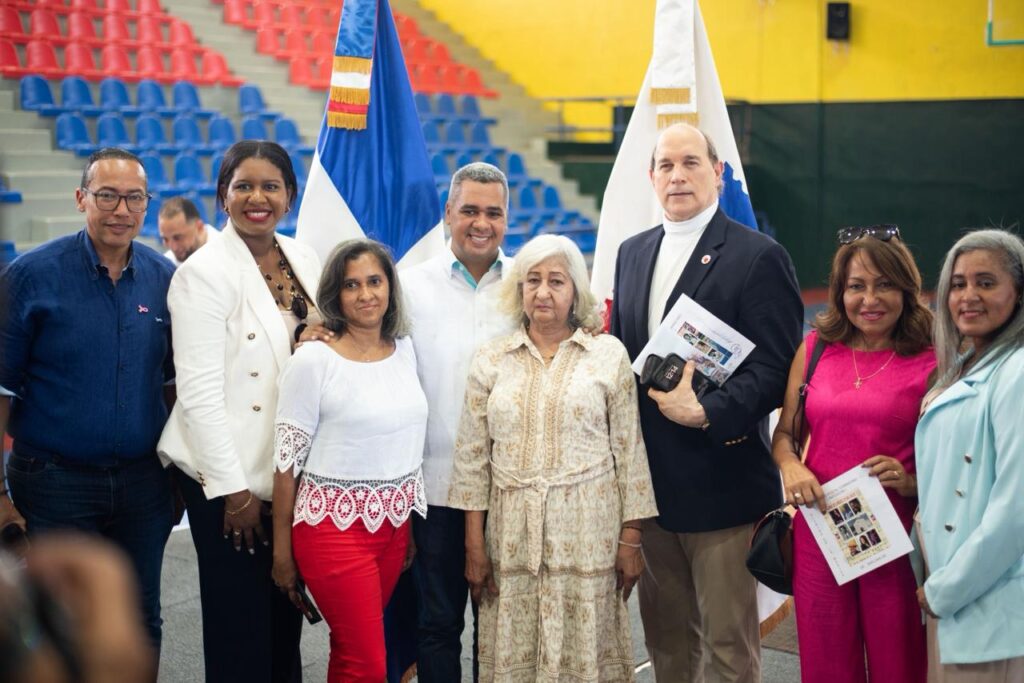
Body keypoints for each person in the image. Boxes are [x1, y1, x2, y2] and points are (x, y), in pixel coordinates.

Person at [609, 123, 803, 682]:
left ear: (717, 173)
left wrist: (708, 411)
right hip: (652, 493)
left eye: (691, 162)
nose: (677, 176)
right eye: (665, 165)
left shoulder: (758, 256)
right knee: (667, 646)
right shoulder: (631, 252)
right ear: (651, 178)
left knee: (726, 649)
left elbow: (778, 371)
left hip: (723, 486)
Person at [448, 234, 659, 681]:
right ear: (519, 289)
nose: (543, 292)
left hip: (589, 531)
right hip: (510, 534)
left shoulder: (608, 354)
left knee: (584, 654)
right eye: (533, 280)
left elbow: (630, 450)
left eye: (556, 281)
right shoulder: (491, 359)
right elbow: (471, 458)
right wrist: (473, 543)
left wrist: (631, 540)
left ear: (575, 292)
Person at [157, 141, 325, 683]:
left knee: (284, 626)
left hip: (287, 478)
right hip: (231, 487)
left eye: (271, 186)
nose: (258, 198)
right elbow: (199, 393)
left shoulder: (304, 257)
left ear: (290, 195)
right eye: (244, 186)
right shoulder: (201, 274)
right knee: (239, 634)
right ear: (222, 197)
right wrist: (233, 493)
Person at [0, 148, 175, 660]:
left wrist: (175, 477)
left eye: (134, 198)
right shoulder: (29, 277)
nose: (121, 210)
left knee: (141, 618)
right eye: (107, 196)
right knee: (57, 621)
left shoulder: (164, 279)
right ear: (81, 199)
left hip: (143, 487)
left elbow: (171, 385)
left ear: (147, 205)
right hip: (54, 483)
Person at [772, 225, 934, 682]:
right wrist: (791, 465)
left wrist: (911, 481)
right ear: (840, 292)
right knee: (826, 666)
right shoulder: (816, 350)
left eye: (884, 285)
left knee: (900, 665)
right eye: (856, 286)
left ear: (907, 289)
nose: (870, 299)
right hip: (820, 536)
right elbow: (785, 433)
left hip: (896, 541)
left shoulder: (933, 361)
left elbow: (959, 465)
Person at [272, 239, 427, 682]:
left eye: (375, 281)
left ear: (390, 288)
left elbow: (402, 445)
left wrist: (407, 526)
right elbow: (286, 464)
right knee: (369, 664)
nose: (366, 295)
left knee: (350, 653)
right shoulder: (314, 360)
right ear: (335, 295)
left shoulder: (406, 350)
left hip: (393, 530)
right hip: (331, 532)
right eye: (351, 285)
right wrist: (282, 554)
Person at [401, 161, 516, 681]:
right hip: (434, 490)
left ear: (507, 219)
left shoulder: (528, 286)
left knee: (501, 632)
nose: (481, 222)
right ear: (448, 213)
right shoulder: (406, 285)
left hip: (512, 491)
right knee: (437, 625)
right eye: (469, 209)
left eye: (493, 212)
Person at [914, 229, 1024, 681]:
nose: (968, 296)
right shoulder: (970, 363)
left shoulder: (1017, 371)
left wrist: (946, 589)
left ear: (1018, 293)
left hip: (986, 602)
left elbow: (1016, 509)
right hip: (958, 600)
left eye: (986, 282)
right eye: (958, 284)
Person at [157, 196, 218, 266]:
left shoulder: (226, 253)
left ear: (199, 227)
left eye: (177, 238)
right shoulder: (168, 263)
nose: (173, 247)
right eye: (165, 239)